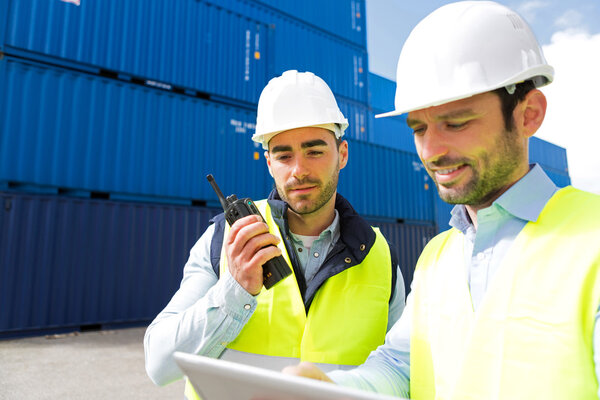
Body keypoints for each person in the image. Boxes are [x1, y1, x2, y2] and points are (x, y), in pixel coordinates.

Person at [284, 2, 600, 399]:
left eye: (456, 123)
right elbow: (402, 368)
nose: (431, 151)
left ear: (528, 114)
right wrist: (327, 389)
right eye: (419, 129)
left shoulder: (593, 242)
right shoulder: (438, 256)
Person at [143, 70, 406, 399]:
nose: (299, 170)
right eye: (284, 156)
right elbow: (159, 364)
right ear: (268, 162)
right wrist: (234, 290)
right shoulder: (222, 240)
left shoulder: (382, 258)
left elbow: (400, 373)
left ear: (342, 154)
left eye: (314, 151)